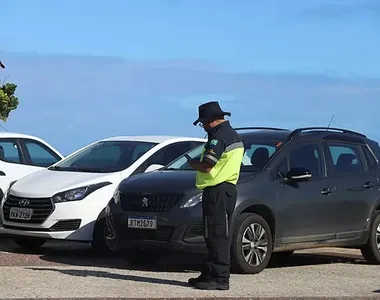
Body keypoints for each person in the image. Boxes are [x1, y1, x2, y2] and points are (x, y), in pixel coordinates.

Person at [188, 101, 244, 290]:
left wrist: (193, 164)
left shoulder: (219, 137)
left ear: (212, 120)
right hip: (224, 190)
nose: (203, 126)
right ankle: (210, 272)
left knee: (216, 234)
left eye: (203, 123)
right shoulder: (232, 134)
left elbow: (207, 165)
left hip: (218, 190)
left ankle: (219, 278)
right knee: (212, 233)